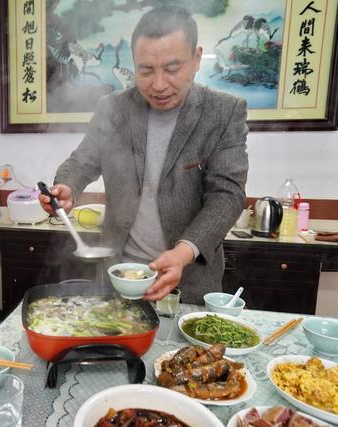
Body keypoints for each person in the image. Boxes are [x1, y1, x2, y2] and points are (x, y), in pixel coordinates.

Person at [40, 6, 249, 304]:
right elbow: (82, 162)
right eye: (146, 70)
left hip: (187, 282)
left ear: (196, 59)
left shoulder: (224, 113)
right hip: (119, 278)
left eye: (172, 69)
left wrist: (182, 252)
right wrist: (66, 188)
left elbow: (228, 195)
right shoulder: (113, 108)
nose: (159, 84)